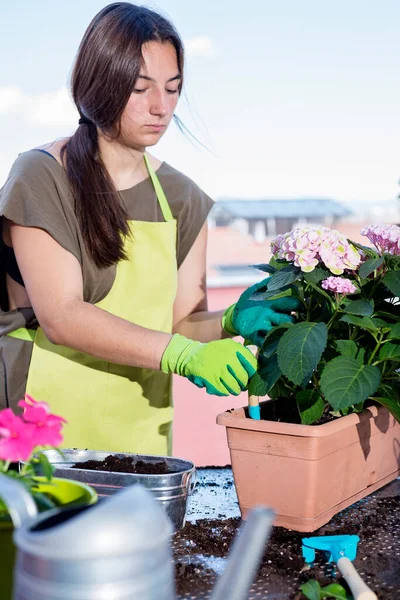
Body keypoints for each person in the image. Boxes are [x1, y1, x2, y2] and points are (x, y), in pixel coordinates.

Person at [0, 2, 298, 455]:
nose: (161, 107)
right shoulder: (42, 175)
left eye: (173, 89)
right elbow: (61, 315)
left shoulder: (182, 197)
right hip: (39, 435)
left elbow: (182, 324)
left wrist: (233, 320)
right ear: (98, 85)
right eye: (141, 89)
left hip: (139, 435)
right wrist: (183, 355)